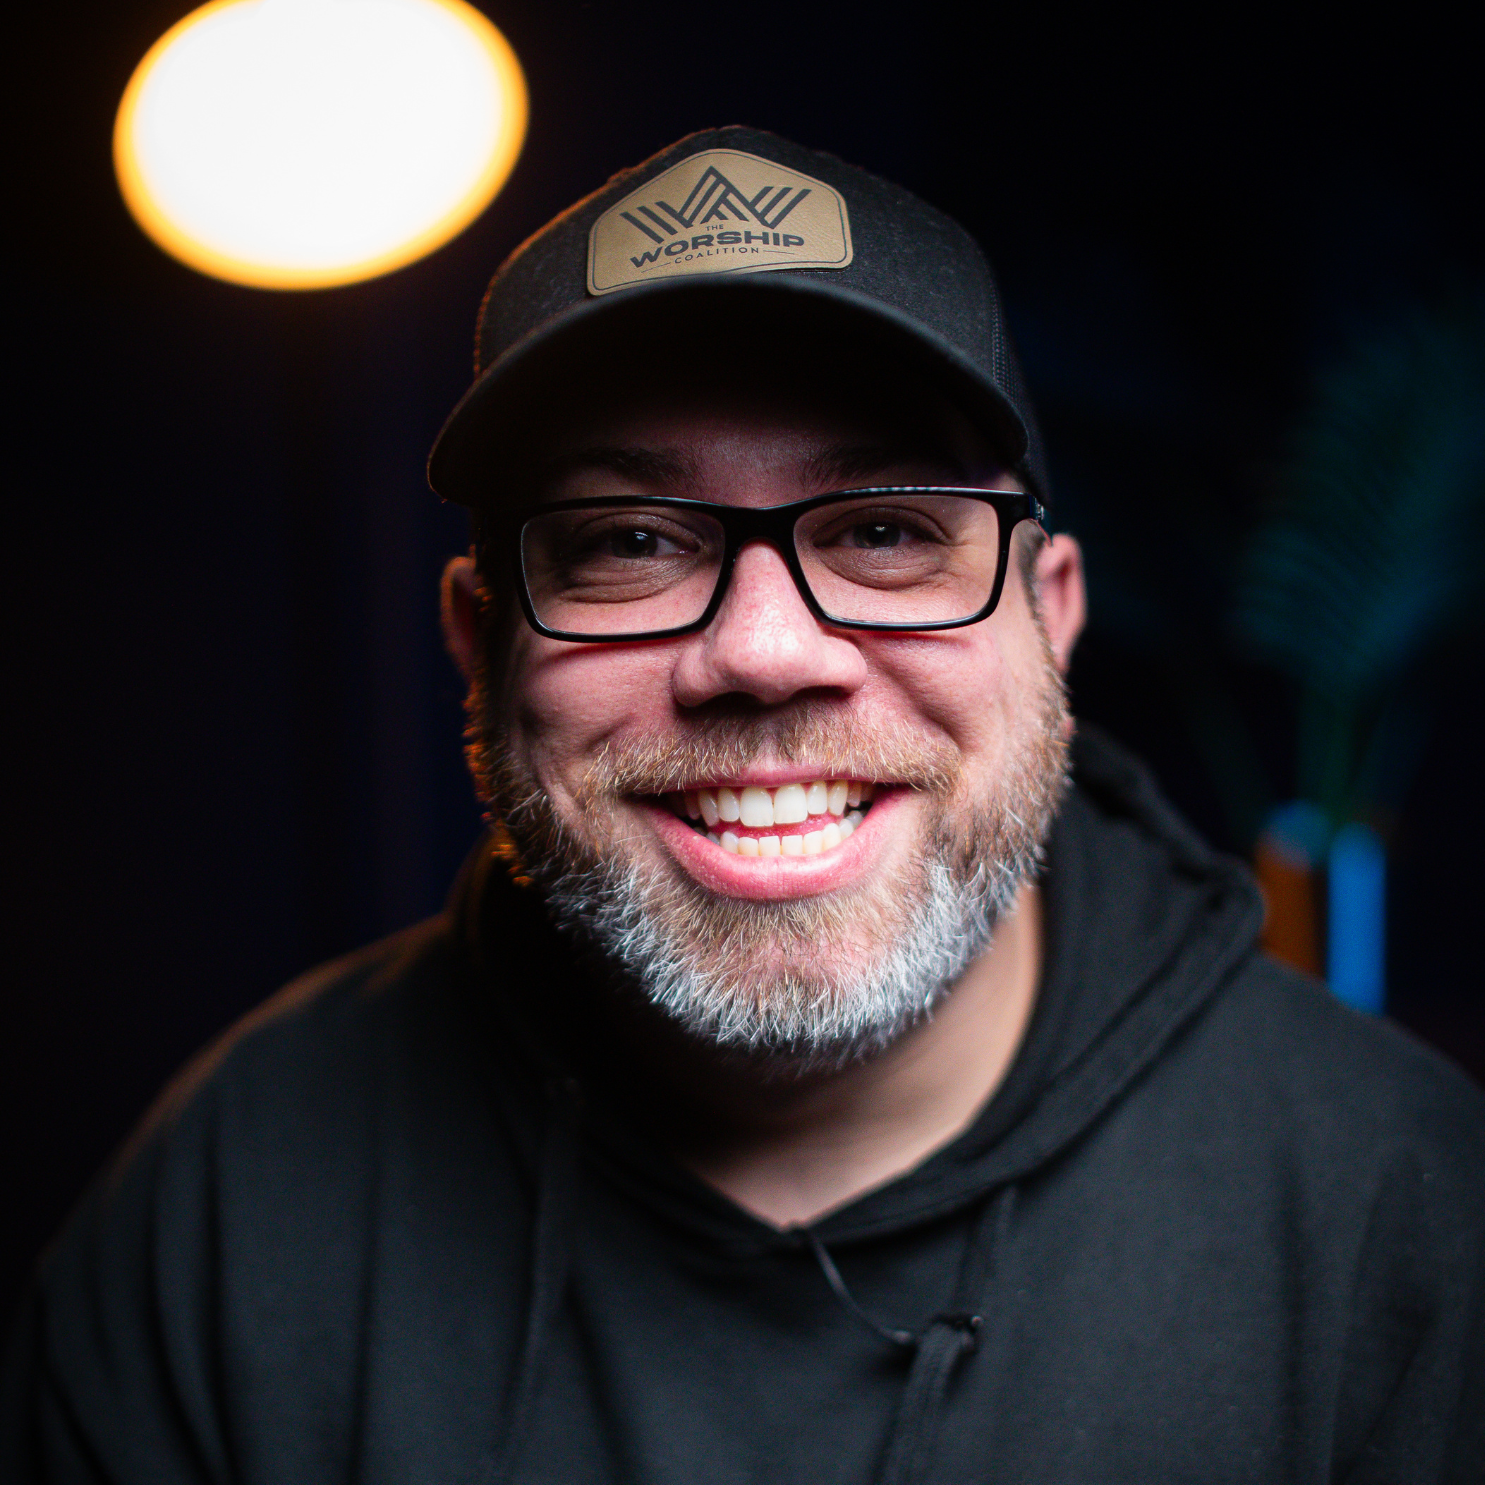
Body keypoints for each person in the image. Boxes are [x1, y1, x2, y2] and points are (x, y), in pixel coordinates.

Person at [5, 126, 1483, 1485]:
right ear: (478, 643)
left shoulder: (1405, 1214)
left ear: (1052, 616)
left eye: (887, 529)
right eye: (631, 542)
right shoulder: (232, 1196)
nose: (765, 654)